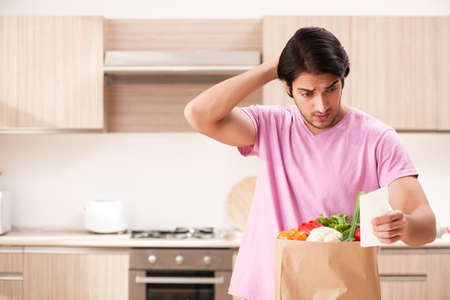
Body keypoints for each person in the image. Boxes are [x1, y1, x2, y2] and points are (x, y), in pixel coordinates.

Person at [184, 26, 436, 300]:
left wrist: (404, 226)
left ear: (343, 80)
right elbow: (199, 114)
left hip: (338, 291)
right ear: (287, 87)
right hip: (266, 290)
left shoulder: (377, 138)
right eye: (307, 93)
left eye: (331, 89)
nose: (321, 105)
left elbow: (425, 224)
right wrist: (273, 68)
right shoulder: (272, 126)